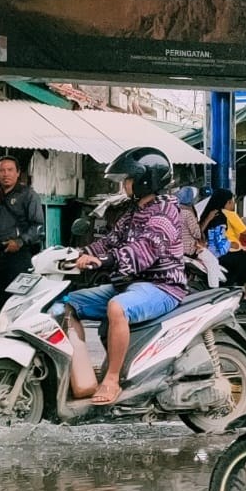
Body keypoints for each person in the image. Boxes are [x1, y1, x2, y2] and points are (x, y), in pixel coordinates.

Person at [62, 147, 186, 405]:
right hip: (131, 284)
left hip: (162, 287)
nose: (124, 185)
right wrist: (78, 253)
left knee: (117, 308)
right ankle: (82, 377)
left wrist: (104, 261)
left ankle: (112, 380)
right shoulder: (132, 211)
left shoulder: (164, 213)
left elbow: (144, 251)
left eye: (128, 179)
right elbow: (110, 241)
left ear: (145, 180)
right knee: (66, 305)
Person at [0, 155, 44, 299]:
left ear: (18, 173)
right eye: (2, 170)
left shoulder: (28, 195)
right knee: (0, 304)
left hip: (18, 258)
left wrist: (20, 242)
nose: (6, 174)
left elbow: (38, 226)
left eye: (10, 170)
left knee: (19, 302)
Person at [201, 188, 246, 303]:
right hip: (225, 252)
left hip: (212, 252)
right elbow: (220, 238)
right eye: (231, 201)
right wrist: (232, 244)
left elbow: (202, 233)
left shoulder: (209, 214)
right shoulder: (224, 215)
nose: (233, 203)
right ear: (227, 202)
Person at [175, 185, 205, 257]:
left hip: (175, 249)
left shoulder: (174, 210)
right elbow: (196, 233)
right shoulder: (188, 214)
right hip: (188, 250)